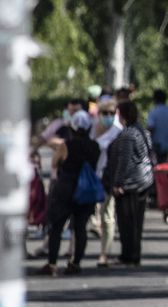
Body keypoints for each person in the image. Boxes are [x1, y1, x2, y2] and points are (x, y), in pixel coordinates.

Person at [38, 111, 100, 276]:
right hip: (86, 191)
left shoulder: (67, 145)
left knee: (57, 227)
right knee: (80, 229)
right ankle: (75, 263)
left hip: (65, 189)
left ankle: (52, 264)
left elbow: (54, 162)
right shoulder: (95, 146)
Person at [105, 101, 156, 266]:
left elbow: (124, 160)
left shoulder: (127, 134)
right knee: (137, 221)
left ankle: (128, 255)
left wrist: (118, 183)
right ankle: (135, 254)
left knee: (126, 221)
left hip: (131, 182)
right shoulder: (143, 131)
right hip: (145, 179)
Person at [91, 99, 123, 268]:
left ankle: (104, 253)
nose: (109, 116)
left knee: (107, 215)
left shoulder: (118, 132)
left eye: (112, 113)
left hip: (108, 178)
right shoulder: (93, 128)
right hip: (91, 176)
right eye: (105, 113)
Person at [146, 89, 168, 163]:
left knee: (159, 171)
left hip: (158, 148)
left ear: (154, 99)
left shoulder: (153, 113)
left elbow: (150, 128)